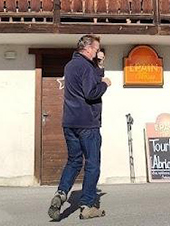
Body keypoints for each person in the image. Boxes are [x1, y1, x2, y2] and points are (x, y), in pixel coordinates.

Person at [48, 34, 111, 221]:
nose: (98, 52)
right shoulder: (86, 66)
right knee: (92, 164)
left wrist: (99, 66)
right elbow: (91, 92)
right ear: (89, 48)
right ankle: (87, 206)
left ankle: (61, 193)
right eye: (97, 49)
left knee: (74, 161)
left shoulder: (71, 65)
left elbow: (89, 79)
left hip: (70, 122)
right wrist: (105, 84)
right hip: (87, 123)